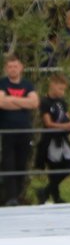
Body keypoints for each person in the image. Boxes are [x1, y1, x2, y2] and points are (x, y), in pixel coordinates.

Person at [36, 74, 70, 204]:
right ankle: (55, 196)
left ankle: (46, 191)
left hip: (62, 138)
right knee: (54, 167)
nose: (62, 92)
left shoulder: (62, 102)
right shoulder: (45, 102)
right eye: (60, 89)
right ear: (52, 85)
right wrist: (66, 125)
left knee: (69, 164)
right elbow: (48, 123)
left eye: (64, 89)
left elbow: (67, 118)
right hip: (50, 139)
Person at [0, 55, 39, 206]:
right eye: (10, 67)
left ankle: (18, 195)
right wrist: (23, 102)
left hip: (24, 130)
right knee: (8, 163)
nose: (13, 69)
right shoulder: (2, 83)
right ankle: (11, 197)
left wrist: (11, 99)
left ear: (21, 67)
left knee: (22, 163)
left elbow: (34, 103)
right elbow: (1, 103)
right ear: (6, 68)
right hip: (7, 131)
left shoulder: (27, 84)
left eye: (15, 66)